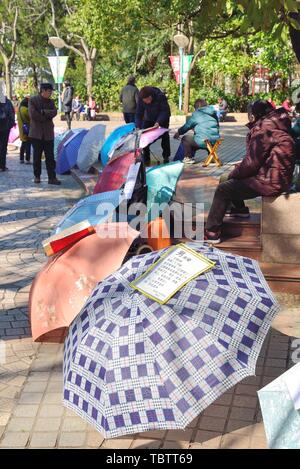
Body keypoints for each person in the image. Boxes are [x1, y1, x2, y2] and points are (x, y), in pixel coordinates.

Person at [204, 100, 295, 244]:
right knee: (229, 176)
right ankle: (240, 209)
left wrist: (236, 172)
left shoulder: (264, 129)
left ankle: (212, 231)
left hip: (270, 181)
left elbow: (251, 164)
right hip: (278, 177)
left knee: (223, 188)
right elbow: (259, 159)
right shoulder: (278, 122)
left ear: (255, 115)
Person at [28, 82, 61, 185]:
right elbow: (33, 115)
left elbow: (54, 112)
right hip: (36, 134)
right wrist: (46, 116)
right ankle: (37, 176)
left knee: (50, 157)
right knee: (37, 157)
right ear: (43, 91)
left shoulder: (51, 102)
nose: (50, 94)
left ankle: (52, 177)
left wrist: (43, 112)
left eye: (51, 92)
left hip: (48, 134)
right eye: (49, 92)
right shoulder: (33, 100)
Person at [173, 98, 220, 165]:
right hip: (215, 141)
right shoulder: (213, 113)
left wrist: (178, 132)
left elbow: (187, 126)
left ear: (198, 106)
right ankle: (211, 156)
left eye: (195, 108)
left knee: (186, 138)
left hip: (204, 141)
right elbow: (216, 126)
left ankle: (188, 158)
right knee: (206, 136)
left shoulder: (198, 113)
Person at [135, 86, 171, 165]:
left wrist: (158, 122)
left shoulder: (160, 96)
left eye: (147, 100)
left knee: (164, 136)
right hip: (149, 119)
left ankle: (166, 156)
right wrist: (138, 126)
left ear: (150, 96)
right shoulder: (141, 99)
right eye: (145, 101)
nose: (147, 102)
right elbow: (138, 113)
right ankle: (146, 158)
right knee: (143, 135)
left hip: (162, 119)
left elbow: (165, 111)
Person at [0, 90, 15, 172]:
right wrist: (11, 125)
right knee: (3, 147)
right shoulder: (7, 102)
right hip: (5, 127)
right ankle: (2, 165)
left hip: (5, 127)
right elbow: (12, 114)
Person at [17, 96, 31, 164]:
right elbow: (31, 117)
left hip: (22, 129)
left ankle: (21, 159)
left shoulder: (19, 109)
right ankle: (27, 159)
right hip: (27, 129)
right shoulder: (25, 109)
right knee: (28, 144)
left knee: (23, 144)